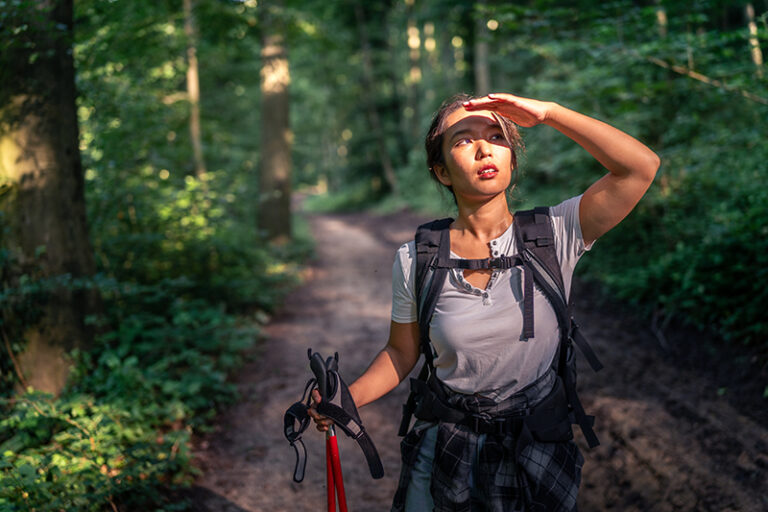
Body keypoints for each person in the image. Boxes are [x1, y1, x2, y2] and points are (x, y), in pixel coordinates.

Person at [308, 92, 660, 511]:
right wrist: (346, 398)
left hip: (536, 447)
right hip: (445, 446)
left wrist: (549, 114)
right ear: (441, 171)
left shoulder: (556, 234)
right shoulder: (417, 259)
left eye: (496, 136)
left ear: (511, 157)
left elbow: (640, 167)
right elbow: (402, 353)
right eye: (462, 140)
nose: (482, 148)